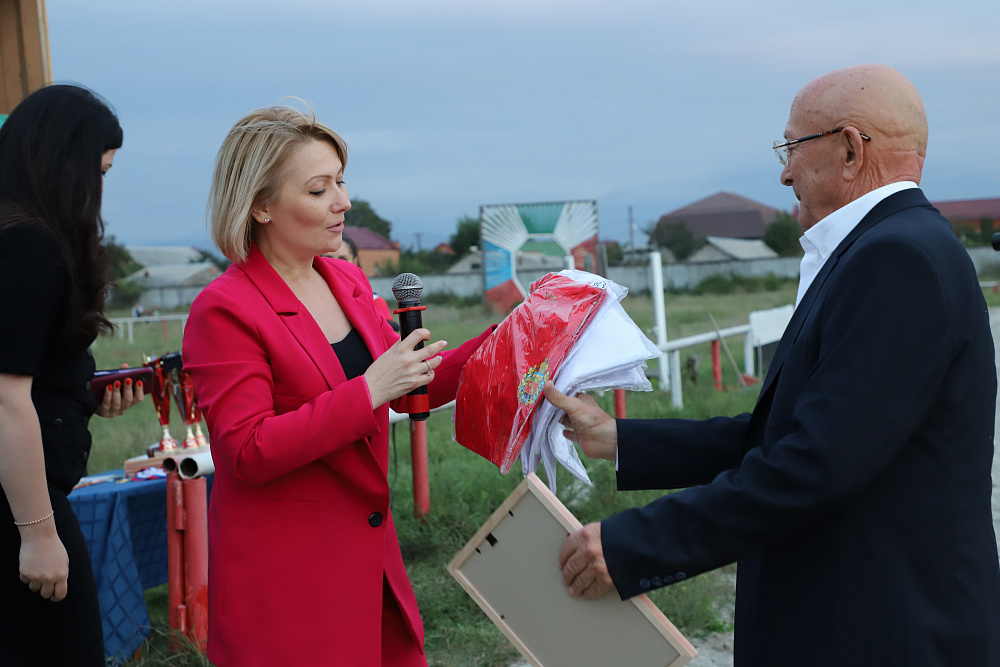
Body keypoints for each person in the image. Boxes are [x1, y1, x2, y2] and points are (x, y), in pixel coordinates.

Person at [545, 64, 1000, 666]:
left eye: (792, 147)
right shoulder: (890, 247)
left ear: (849, 149)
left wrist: (634, 544)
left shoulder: (896, 258)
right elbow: (790, 435)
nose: (785, 172)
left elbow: (816, 462)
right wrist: (617, 439)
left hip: (884, 629)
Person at [182, 104, 494, 667]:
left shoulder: (346, 278)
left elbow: (412, 379)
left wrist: (510, 339)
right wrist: (367, 392)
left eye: (342, 182)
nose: (343, 202)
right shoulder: (224, 309)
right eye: (319, 189)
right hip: (288, 587)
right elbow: (246, 450)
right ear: (259, 206)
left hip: (372, 568)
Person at [0, 84, 145, 666]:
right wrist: (38, 534)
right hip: (18, 508)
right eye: (99, 172)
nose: (101, 189)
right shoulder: (29, 246)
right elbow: (6, 398)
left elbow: (31, 375)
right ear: (62, 164)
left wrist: (80, 395)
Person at [327, 234, 398, 330]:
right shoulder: (312, 300)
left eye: (343, 259)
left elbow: (391, 332)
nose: (335, 264)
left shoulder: (375, 300)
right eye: (328, 258)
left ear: (355, 261)